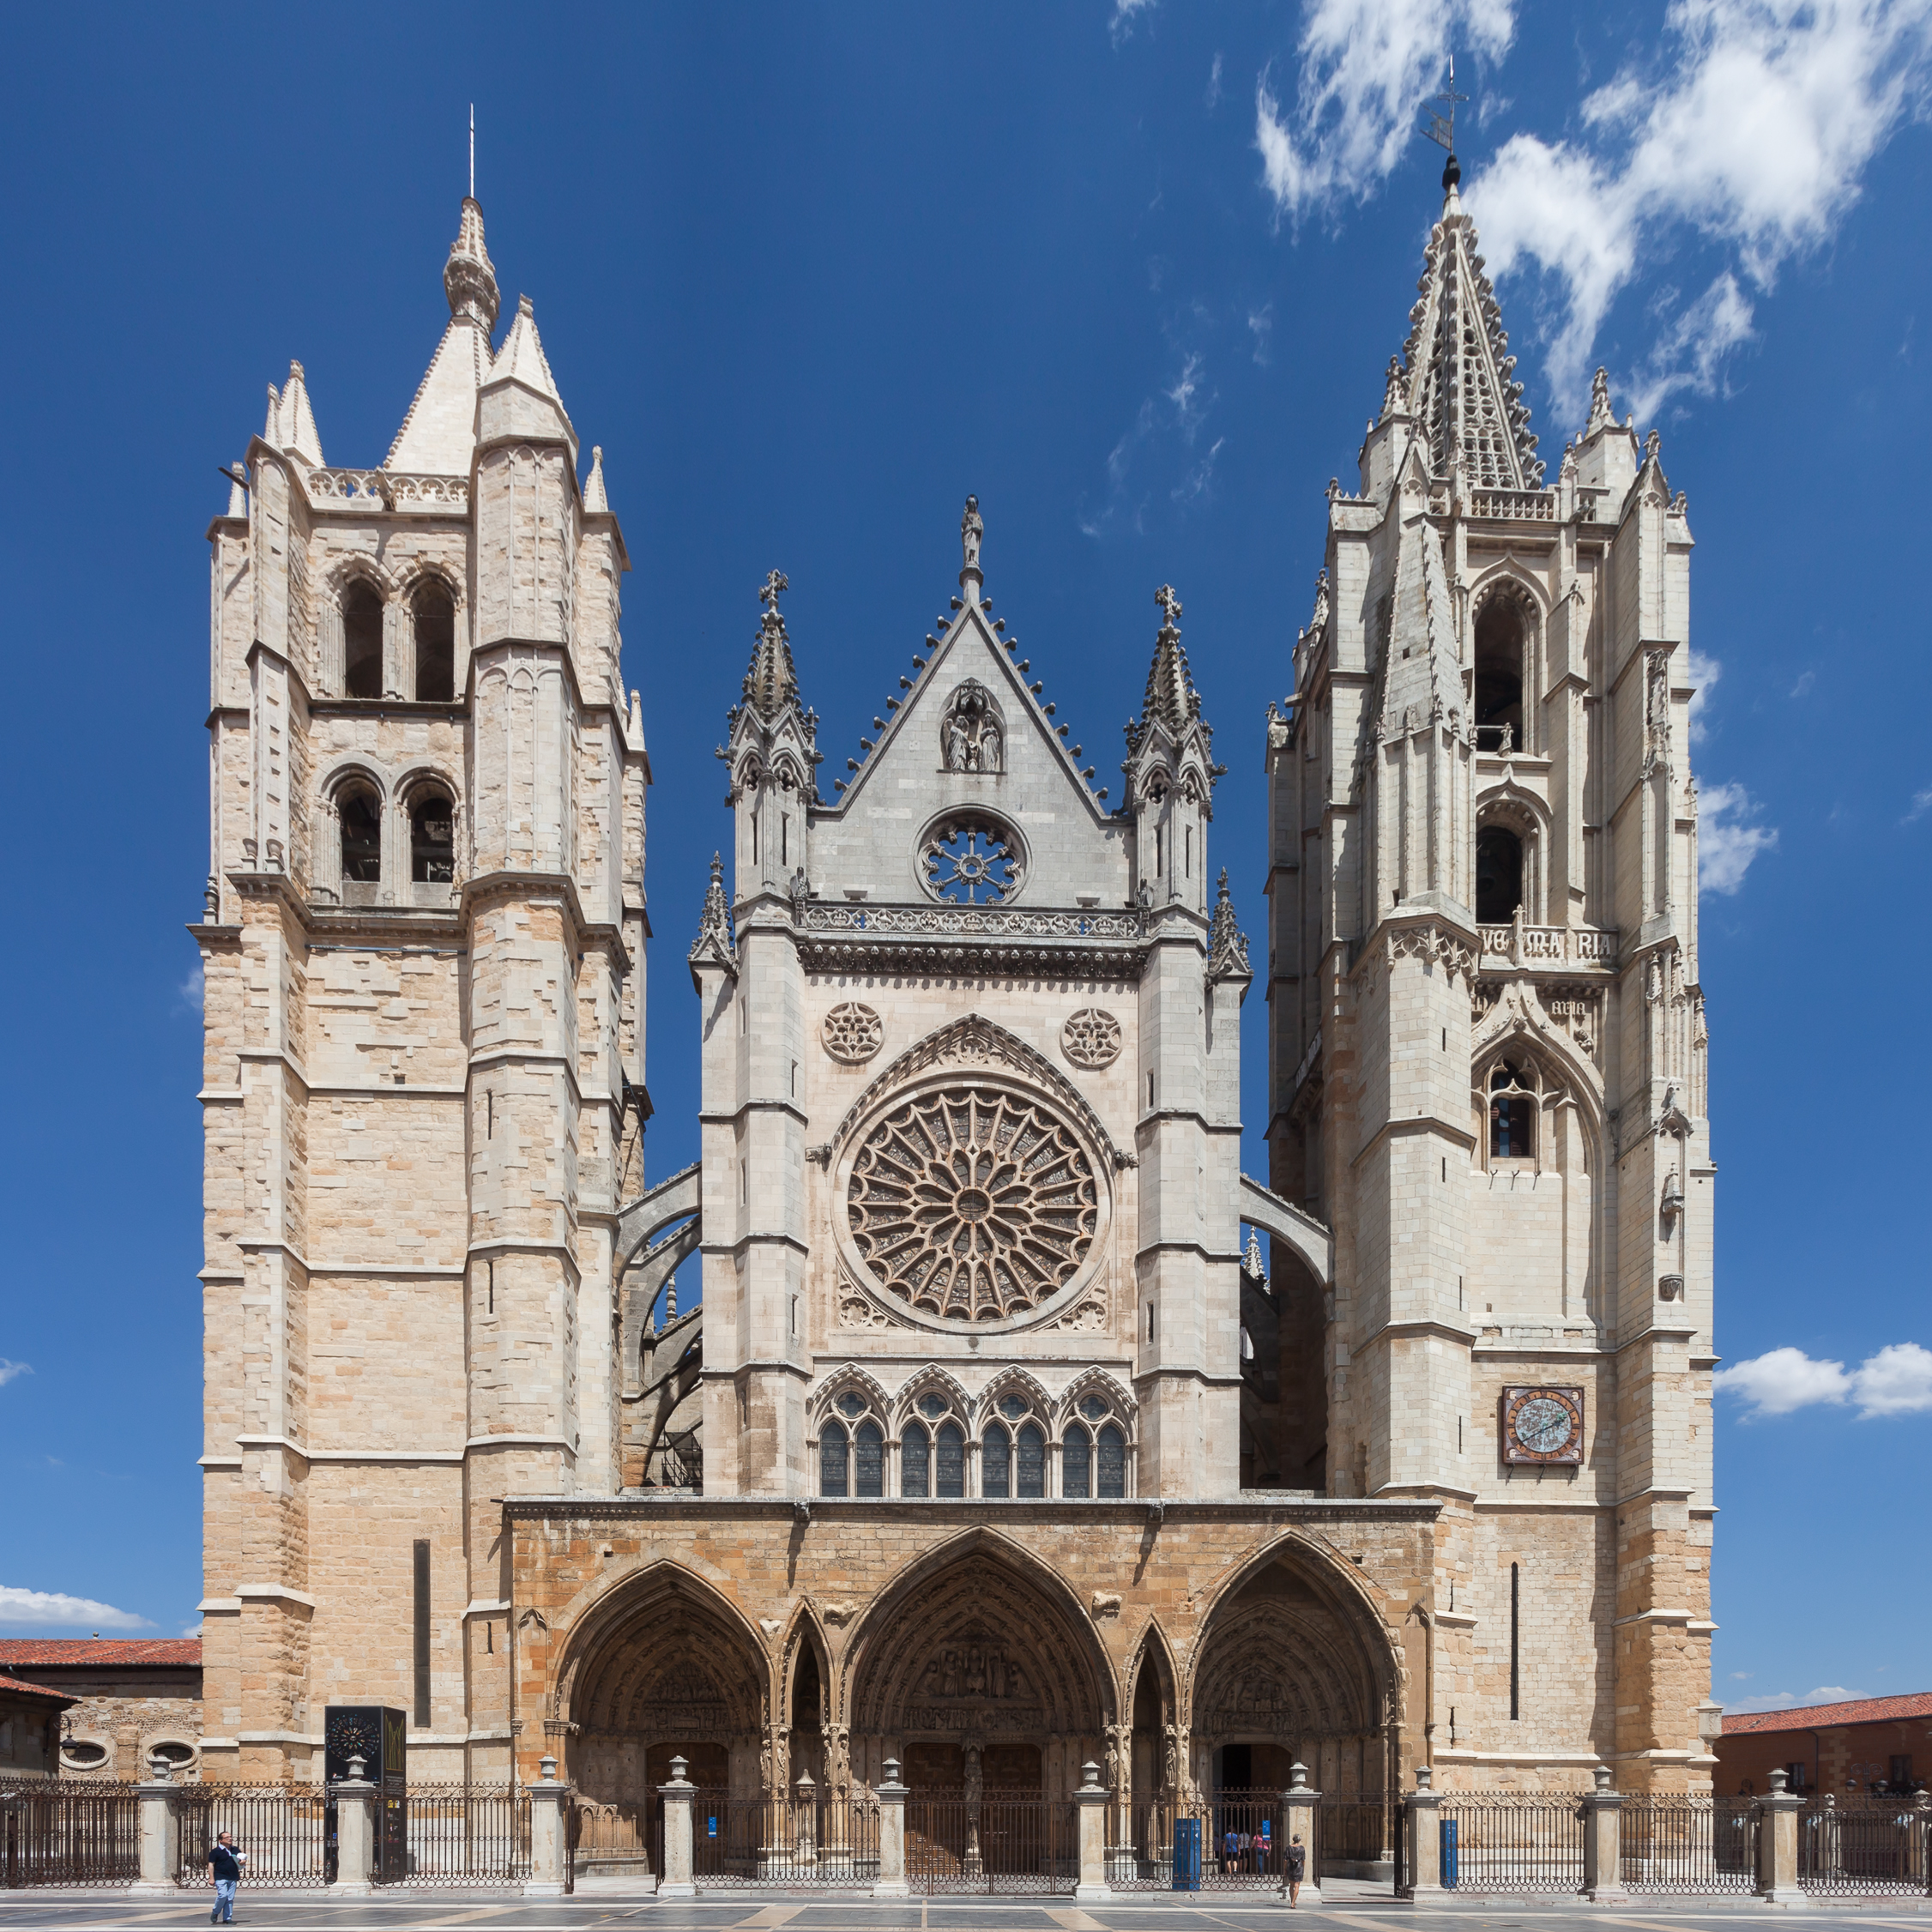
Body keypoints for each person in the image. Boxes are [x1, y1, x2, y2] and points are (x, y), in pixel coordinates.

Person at [207, 1831, 245, 1923]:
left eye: (231, 1837)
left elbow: (241, 1859)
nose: (230, 1838)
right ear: (220, 1840)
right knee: (223, 1895)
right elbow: (211, 1864)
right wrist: (211, 1878)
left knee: (230, 1899)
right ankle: (215, 1912)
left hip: (232, 1876)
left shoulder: (235, 1849)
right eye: (227, 1837)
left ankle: (227, 1918)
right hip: (220, 1876)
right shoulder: (215, 1851)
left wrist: (243, 1861)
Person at [1285, 1832, 1307, 1907]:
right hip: (1299, 1867)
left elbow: (1285, 1860)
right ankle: (1293, 1902)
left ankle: (1292, 1901)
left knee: (1291, 1885)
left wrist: (1285, 1868)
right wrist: (1303, 1867)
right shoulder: (1302, 1848)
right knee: (1297, 1885)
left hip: (1291, 1867)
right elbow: (1303, 1859)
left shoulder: (1288, 1848)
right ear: (1299, 1840)